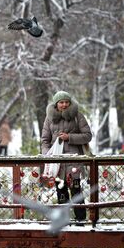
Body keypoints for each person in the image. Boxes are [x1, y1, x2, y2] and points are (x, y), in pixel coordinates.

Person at [41, 91, 93, 222]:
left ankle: (81, 220)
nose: (64, 105)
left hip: (74, 161)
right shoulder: (49, 118)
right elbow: (45, 140)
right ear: (56, 104)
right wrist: (47, 154)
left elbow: (88, 136)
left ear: (70, 103)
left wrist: (69, 137)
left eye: (66, 102)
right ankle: (63, 221)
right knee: (61, 192)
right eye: (61, 102)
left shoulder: (77, 116)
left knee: (76, 191)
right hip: (57, 163)